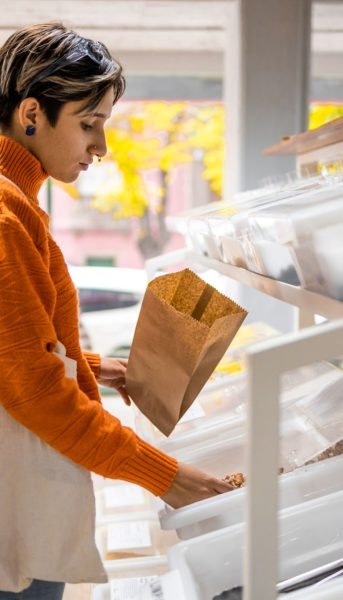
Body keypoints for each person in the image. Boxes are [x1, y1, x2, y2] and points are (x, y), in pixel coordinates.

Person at [0, 22, 233, 599]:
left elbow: (18, 347)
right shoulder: (4, 216)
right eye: (89, 124)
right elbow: (34, 389)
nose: (100, 148)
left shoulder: (17, 200)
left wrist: (91, 365)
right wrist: (167, 477)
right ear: (32, 113)